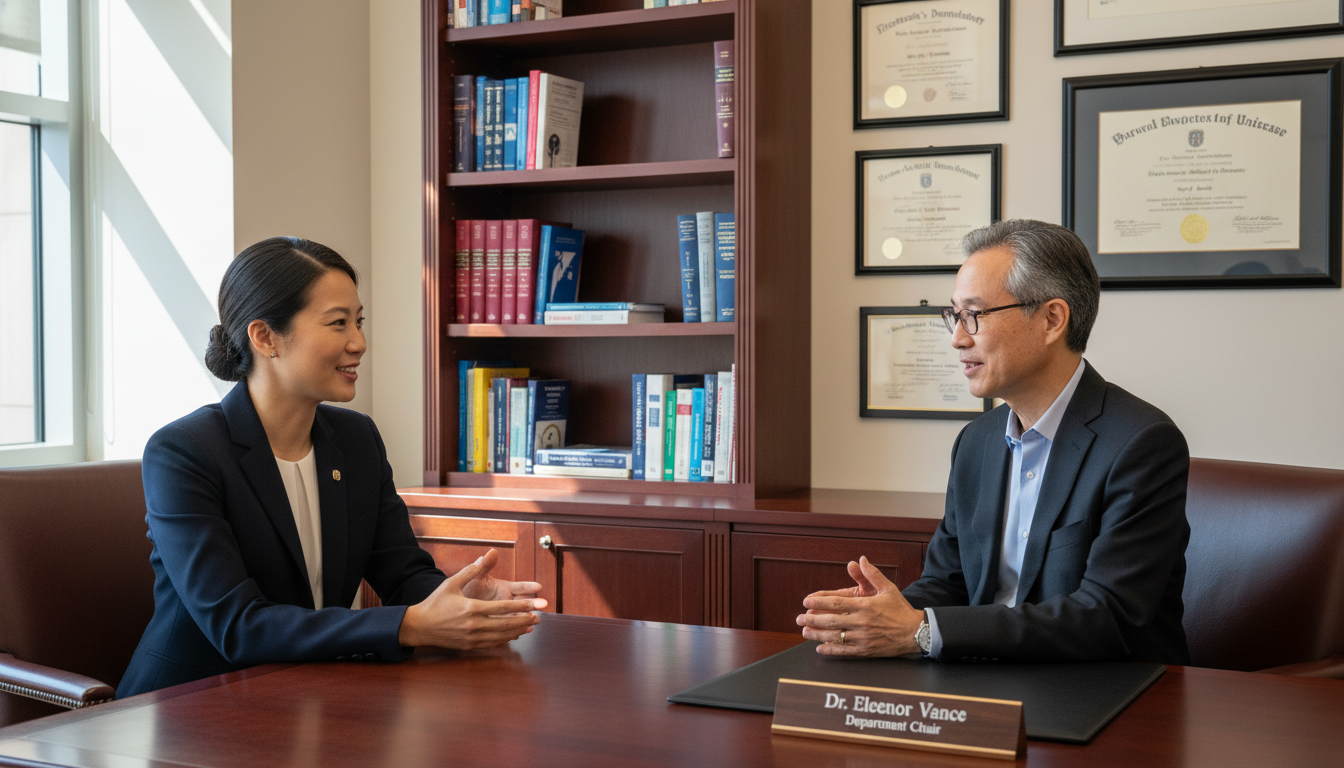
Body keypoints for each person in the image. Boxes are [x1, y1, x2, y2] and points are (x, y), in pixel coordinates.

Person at [118, 237, 545, 698]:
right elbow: (238, 626)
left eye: (358, 322)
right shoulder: (183, 452)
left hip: (306, 694)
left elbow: (401, 575)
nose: (359, 343)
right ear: (264, 337)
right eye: (338, 324)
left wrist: (459, 599)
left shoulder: (356, 439)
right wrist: (409, 626)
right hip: (191, 706)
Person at [797, 220, 1190, 665]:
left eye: (975, 315)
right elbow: (949, 583)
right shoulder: (977, 442)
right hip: (984, 676)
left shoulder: (1142, 443)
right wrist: (883, 613)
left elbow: (1107, 617)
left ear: (1052, 319)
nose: (957, 338)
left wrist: (922, 632)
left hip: (1104, 692)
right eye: (955, 315)